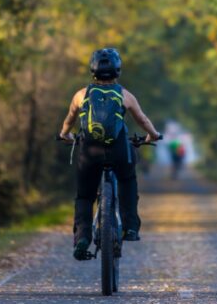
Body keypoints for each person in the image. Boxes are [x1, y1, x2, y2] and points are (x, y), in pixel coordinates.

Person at [59, 48, 162, 261]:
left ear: (92, 70)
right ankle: (131, 227)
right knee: (127, 180)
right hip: (118, 151)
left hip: (89, 152)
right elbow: (142, 120)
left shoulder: (81, 95)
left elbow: (69, 119)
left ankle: (82, 239)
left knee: (85, 196)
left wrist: (65, 134)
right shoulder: (124, 94)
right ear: (118, 70)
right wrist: (153, 135)